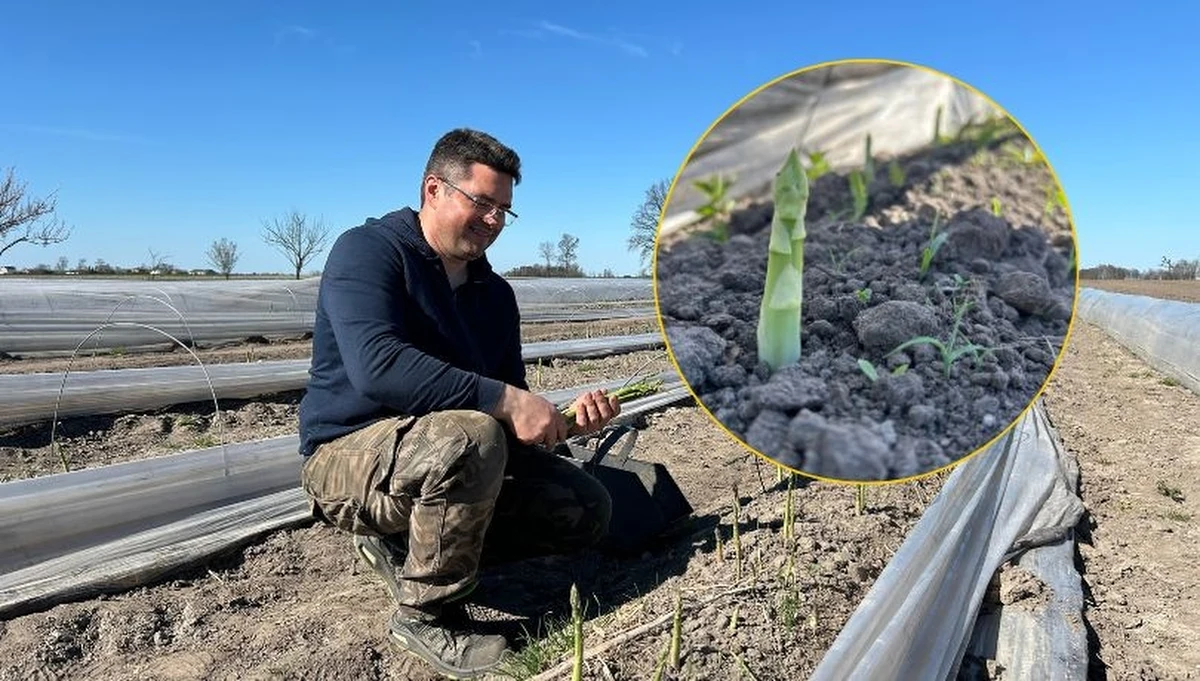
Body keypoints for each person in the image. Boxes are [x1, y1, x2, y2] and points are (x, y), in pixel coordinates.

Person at [297, 128, 621, 678]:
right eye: (482, 202)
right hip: (346, 458)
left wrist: (562, 423)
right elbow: (377, 366)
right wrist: (505, 401)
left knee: (584, 508)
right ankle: (427, 616)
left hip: (447, 453)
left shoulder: (495, 296)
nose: (493, 220)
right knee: (469, 436)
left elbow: (506, 411)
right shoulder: (369, 251)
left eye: (504, 210)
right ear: (434, 189)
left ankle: (410, 552)